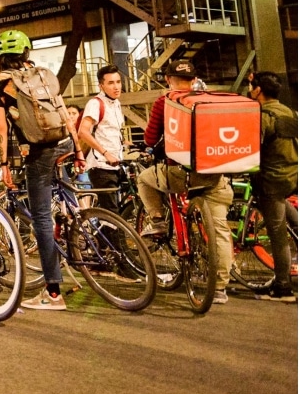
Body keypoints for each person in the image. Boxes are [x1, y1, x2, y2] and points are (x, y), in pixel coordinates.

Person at [0, 30, 80, 312]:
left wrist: (4, 164)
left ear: (1, 56)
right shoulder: (43, 74)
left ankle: (53, 291)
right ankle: (75, 228)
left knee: (40, 217)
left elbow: (0, 126)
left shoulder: (3, 82)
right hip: (63, 142)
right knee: (63, 200)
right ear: (27, 52)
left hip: (38, 151)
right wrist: (78, 149)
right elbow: (63, 111)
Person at [136, 58, 234, 303]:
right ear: (193, 80)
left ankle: (158, 221)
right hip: (214, 174)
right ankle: (220, 288)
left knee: (144, 179)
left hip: (180, 174)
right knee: (220, 230)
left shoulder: (165, 101)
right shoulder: (209, 100)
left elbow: (149, 138)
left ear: (169, 79)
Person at [247, 72, 296, 302]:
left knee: (278, 235)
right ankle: (281, 282)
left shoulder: (263, 116)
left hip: (273, 179)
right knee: (291, 218)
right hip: (290, 175)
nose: (249, 89)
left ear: (259, 90)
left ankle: (283, 288)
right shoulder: (288, 111)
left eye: (251, 85)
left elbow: (251, 149)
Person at [77, 65, 125, 212]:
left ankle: (101, 233)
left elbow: (110, 133)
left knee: (115, 211)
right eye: (111, 83)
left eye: (118, 82)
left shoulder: (116, 103)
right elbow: (83, 132)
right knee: (112, 213)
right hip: (101, 165)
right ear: (101, 85)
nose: (116, 86)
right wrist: (106, 153)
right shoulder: (95, 103)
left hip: (116, 164)